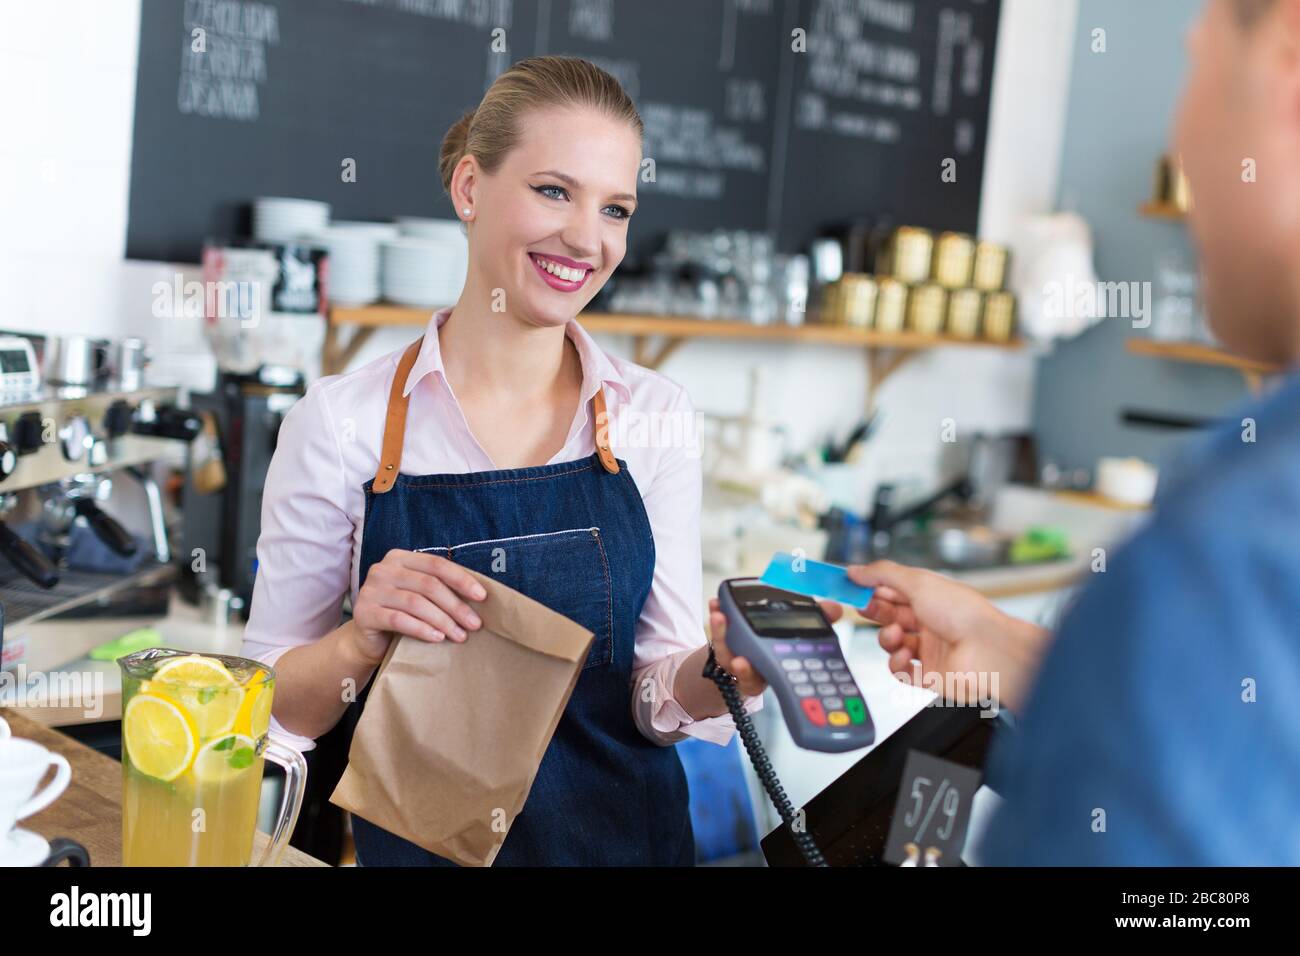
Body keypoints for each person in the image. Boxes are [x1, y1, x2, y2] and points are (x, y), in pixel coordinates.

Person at [241, 56, 791, 866]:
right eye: (553, 191)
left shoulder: (654, 417)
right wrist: (361, 640)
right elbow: (268, 705)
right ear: (470, 189)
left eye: (616, 208)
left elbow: (651, 693)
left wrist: (729, 672)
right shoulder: (341, 425)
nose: (586, 238)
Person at [806, 0, 1300, 865]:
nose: (1185, 152)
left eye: (1199, 66)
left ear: (1287, 62)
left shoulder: (1236, 547)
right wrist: (1002, 646)